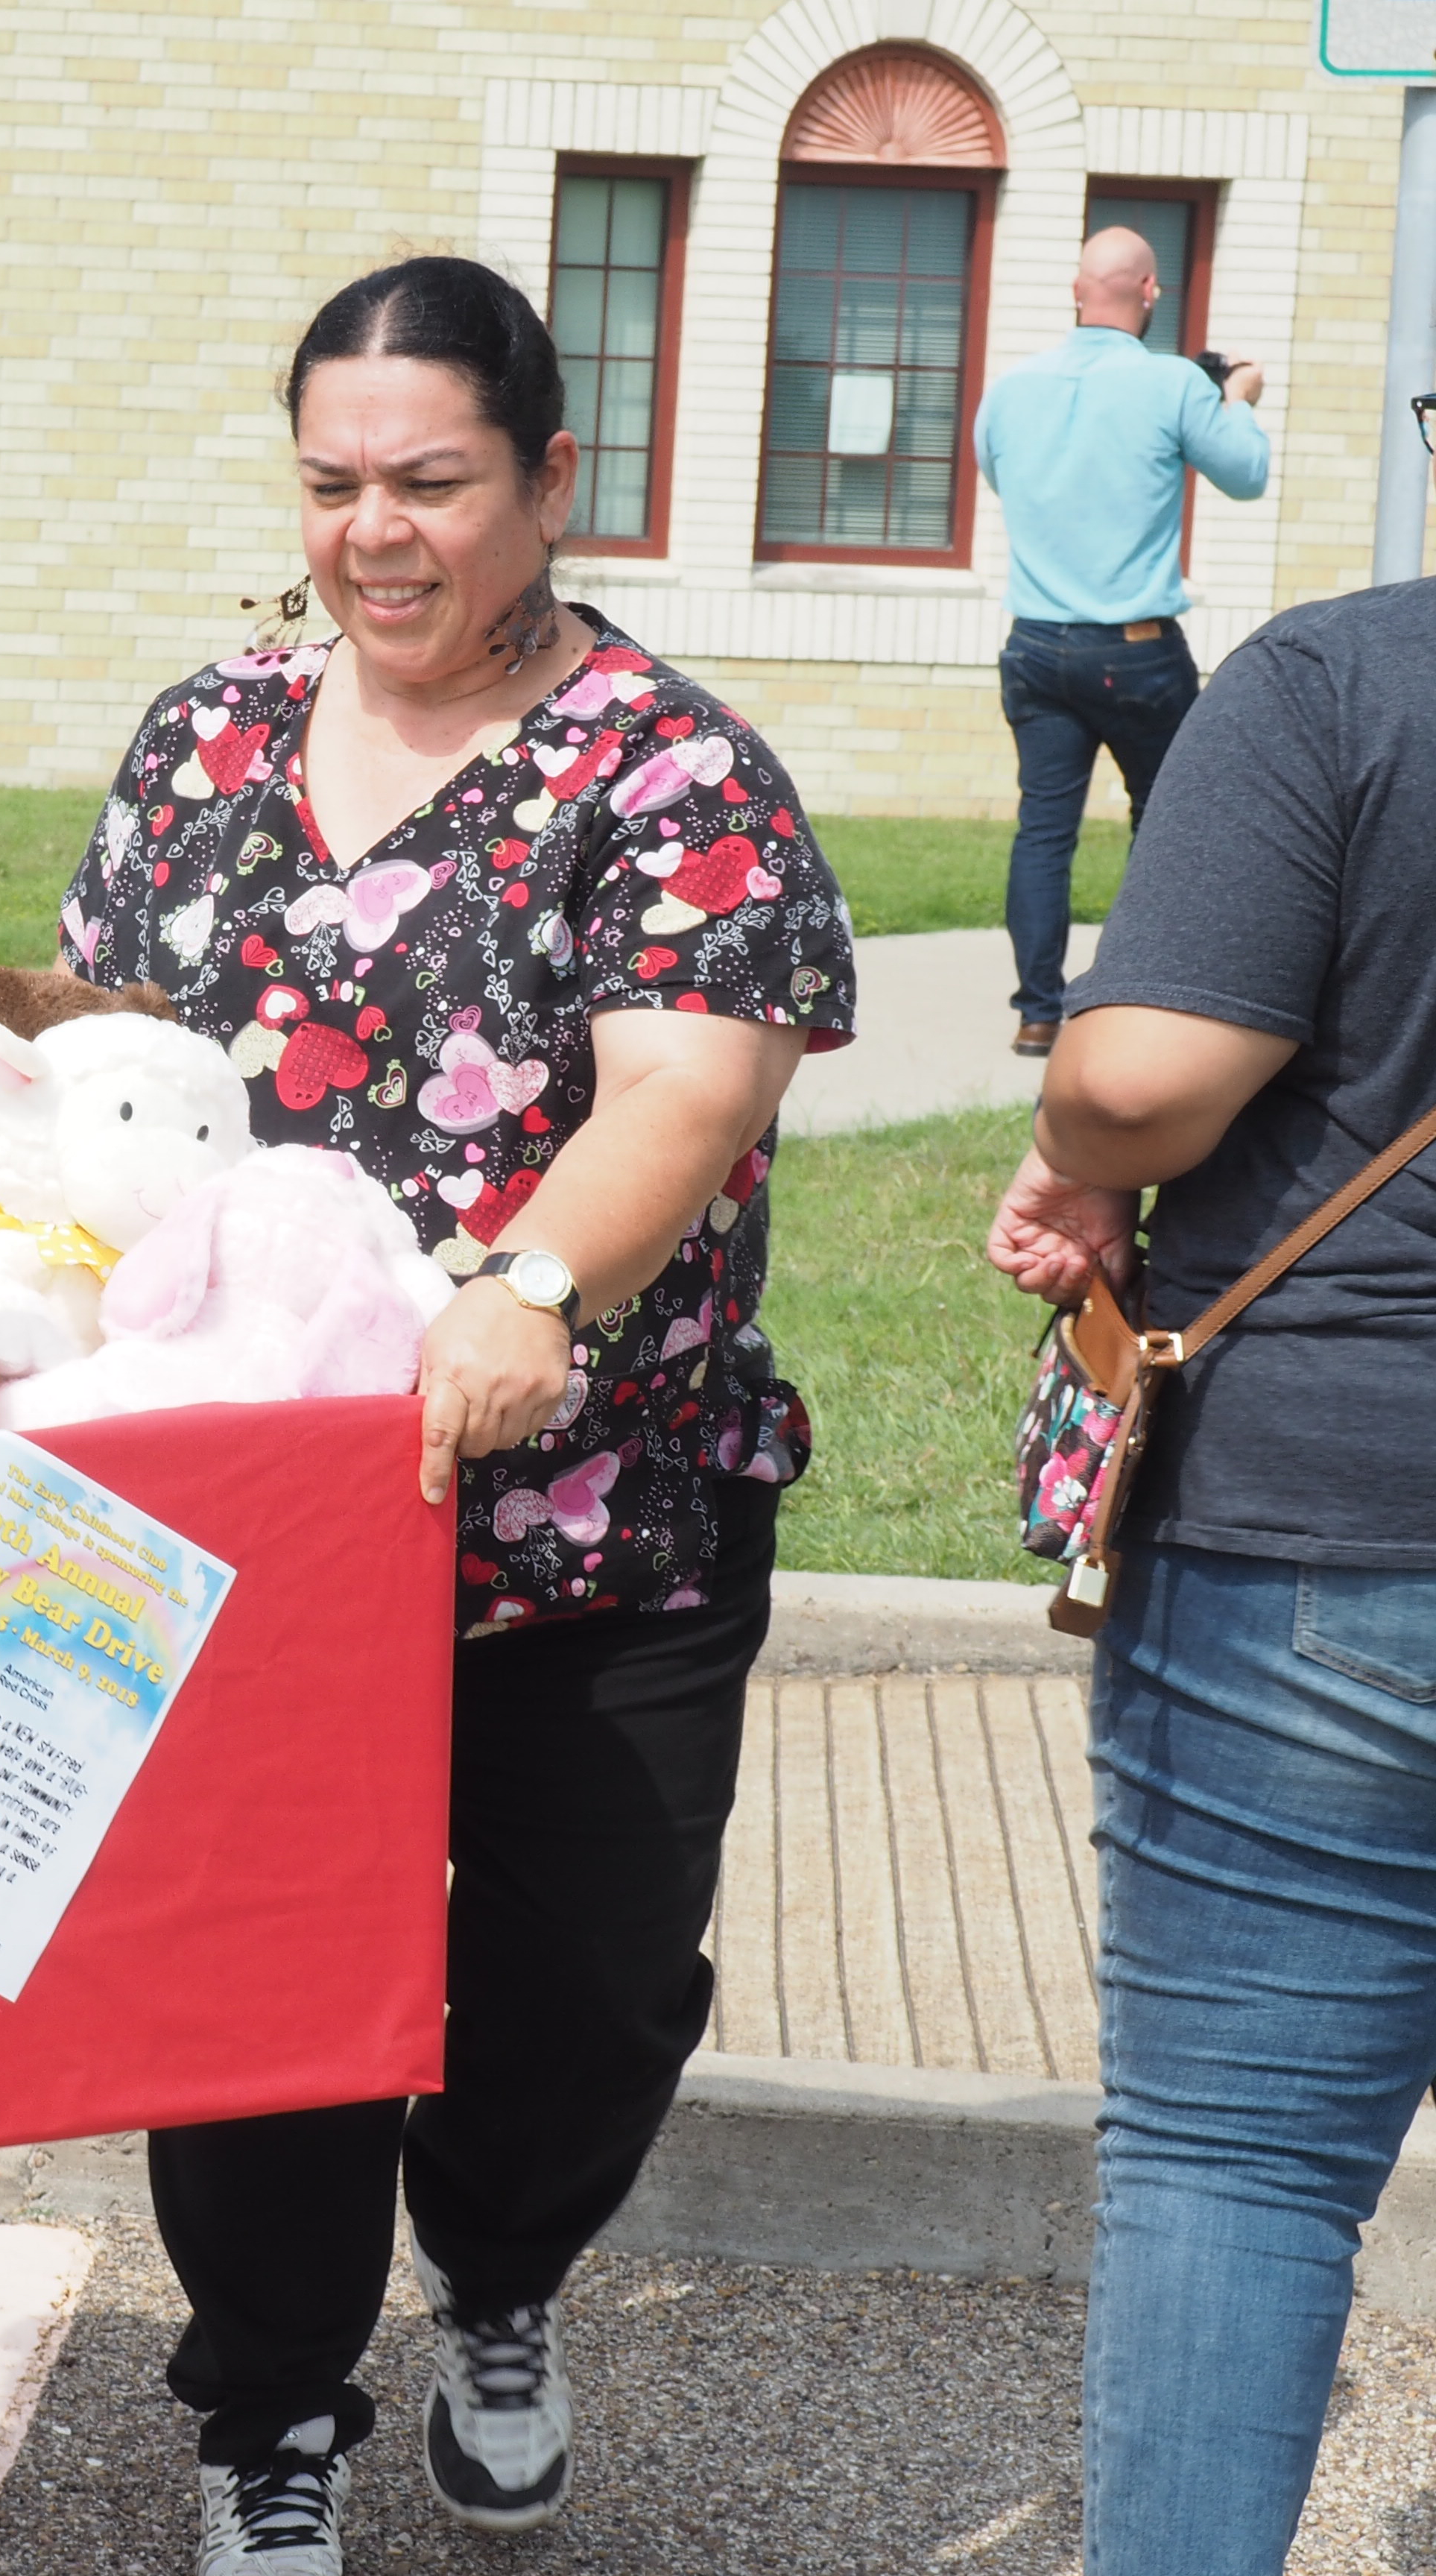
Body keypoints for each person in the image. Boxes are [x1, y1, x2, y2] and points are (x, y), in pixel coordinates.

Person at [58, 256, 853, 2573]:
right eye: (332, 485)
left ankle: (501, 2276)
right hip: (255, 1529)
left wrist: (525, 1287)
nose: (374, 531)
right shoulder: (204, 740)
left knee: (591, 1999)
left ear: (550, 484)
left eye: (431, 481)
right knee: (257, 1992)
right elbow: (119, 1081)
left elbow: (685, 1092)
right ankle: (271, 2408)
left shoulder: (671, 769)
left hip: (595, 1513)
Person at [984, 586, 1436, 2576]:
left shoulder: (1347, 683)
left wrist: (1076, 1133)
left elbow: (1149, 1078)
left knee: (1240, 2167)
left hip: (1338, 1516)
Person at [973, 224, 1268, 1058]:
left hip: (1034, 645)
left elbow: (1001, 475)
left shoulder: (1010, 389)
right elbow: (1245, 477)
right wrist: (1236, 397)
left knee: (1044, 829)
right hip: (1136, 651)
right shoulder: (1176, 385)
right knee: (1174, 819)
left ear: (1077, 290)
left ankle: (1037, 1011)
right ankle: (1145, 995)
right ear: (1150, 295)